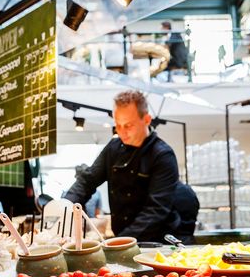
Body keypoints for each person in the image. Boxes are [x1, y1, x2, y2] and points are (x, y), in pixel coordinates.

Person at [64, 90, 195, 243]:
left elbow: (156, 211)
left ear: (146, 119)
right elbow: (87, 180)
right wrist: (65, 207)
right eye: (118, 125)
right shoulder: (113, 148)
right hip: (124, 238)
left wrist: (119, 242)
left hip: (156, 242)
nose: (122, 132)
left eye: (128, 125)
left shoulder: (162, 155)